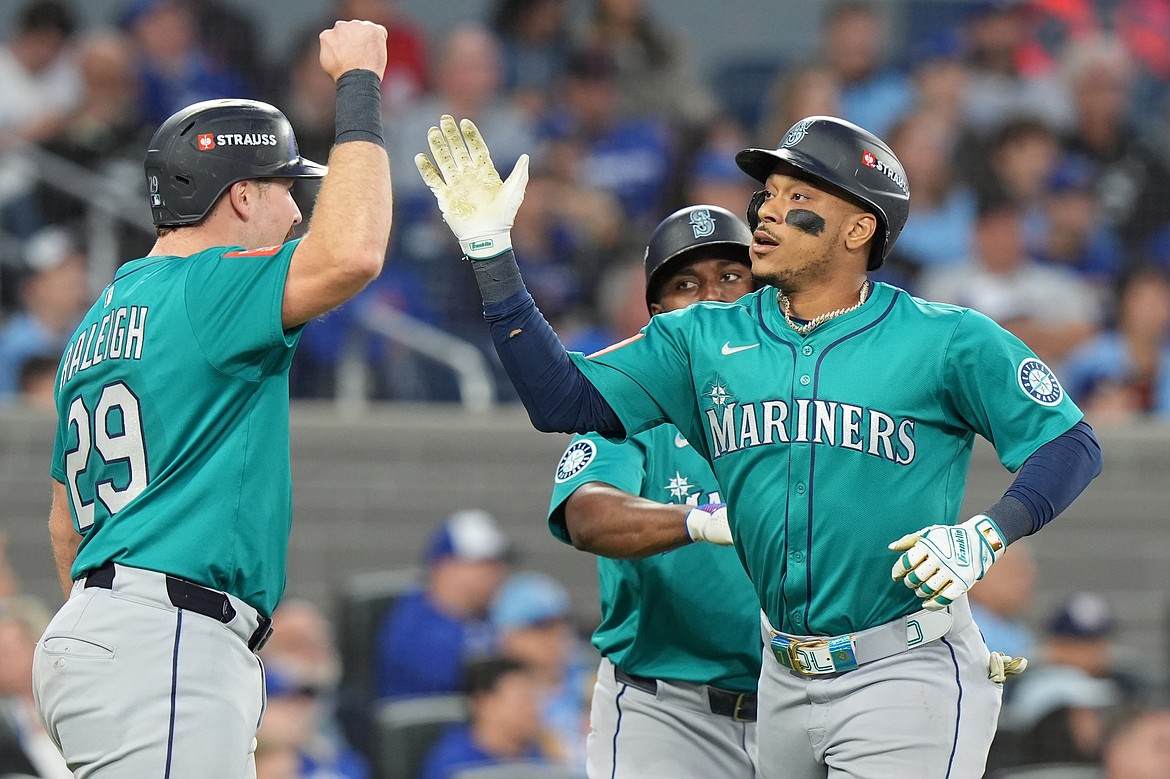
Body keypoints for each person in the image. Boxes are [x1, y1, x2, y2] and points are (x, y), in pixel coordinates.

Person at [414, 113, 1103, 779]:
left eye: (799, 197)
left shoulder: (945, 337)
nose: (768, 210)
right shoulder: (702, 336)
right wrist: (492, 256)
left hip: (904, 664)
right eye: (768, 192)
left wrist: (989, 531)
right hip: (782, 675)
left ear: (859, 228)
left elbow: (1070, 440)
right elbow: (561, 401)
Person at [32, 19, 393, 778]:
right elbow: (353, 253)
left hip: (100, 629)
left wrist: (105, 628)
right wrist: (359, 86)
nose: (298, 212)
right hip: (164, 634)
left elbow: (67, 526)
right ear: (240, 196)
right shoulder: (208, 286)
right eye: (287, 188)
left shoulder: (96, 322)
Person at [546, 204, 761, 778]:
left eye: (731, 276)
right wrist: (696, 521)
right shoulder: (630, 401)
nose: (712, 297)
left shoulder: (808, 395)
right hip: (668, 714)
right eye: (686, 284)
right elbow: (587, 515)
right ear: (658, 314)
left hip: (801, 704)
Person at [375, 509, 512, 699]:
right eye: (483, 564)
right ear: (444, 567)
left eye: (498, 563)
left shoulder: (489, 614)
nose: (495, 573)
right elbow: (467, 682)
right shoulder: (414, 625)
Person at [419, 656, 551, 779]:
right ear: (483, 703)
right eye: (523, 700)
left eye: (535, 700)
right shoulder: (454, 766)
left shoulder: (538, 752)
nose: (534, 709)